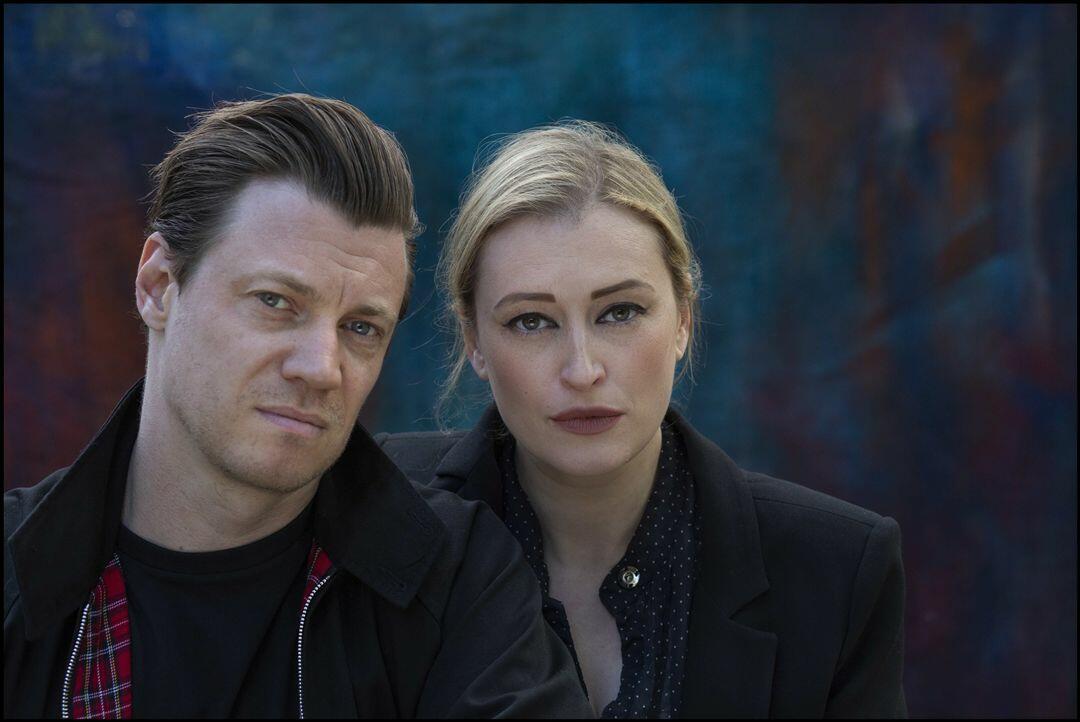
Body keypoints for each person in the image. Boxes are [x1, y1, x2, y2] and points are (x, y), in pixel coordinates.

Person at [3, 94, 593, 719]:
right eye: (276, 302)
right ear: (158, 287)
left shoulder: (455, 582)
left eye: (361, 327)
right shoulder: (14, 574)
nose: (321, 367)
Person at [377, 121, 908, 718]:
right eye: (531, 321)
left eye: (620, 312)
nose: (582, 370)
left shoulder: (837, 568)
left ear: (683, 319)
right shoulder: (375, 511)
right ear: (474, 340)